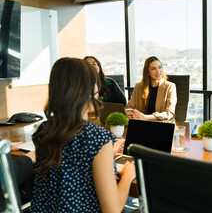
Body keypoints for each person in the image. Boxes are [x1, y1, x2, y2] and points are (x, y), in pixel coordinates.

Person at [31, 58, 136, 212]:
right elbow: (112, 210)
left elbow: (70, 162)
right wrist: (128, 175)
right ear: (88, 89)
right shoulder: (97, 138)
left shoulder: (44, 130)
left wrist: (105, 155)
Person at [125, 56, 177, 121]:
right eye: (153, 69)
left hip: (162, 125)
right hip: (141, 125)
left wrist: (145, 117)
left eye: (160, 67)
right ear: (148, 72)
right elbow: (129, 107)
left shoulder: (170, 86)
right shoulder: (138, 86)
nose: (158, 71)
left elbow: (169, 113)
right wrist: (131, 113)